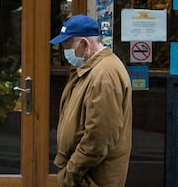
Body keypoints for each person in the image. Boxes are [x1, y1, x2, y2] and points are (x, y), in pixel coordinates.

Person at [49, 14, 133, 187]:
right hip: (86, 175)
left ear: (85, 44)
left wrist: (72, 171)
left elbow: (99, 137)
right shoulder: (92, 69)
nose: (66, 53)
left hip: (93, 178)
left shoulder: (104, 75)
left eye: (68, 46)